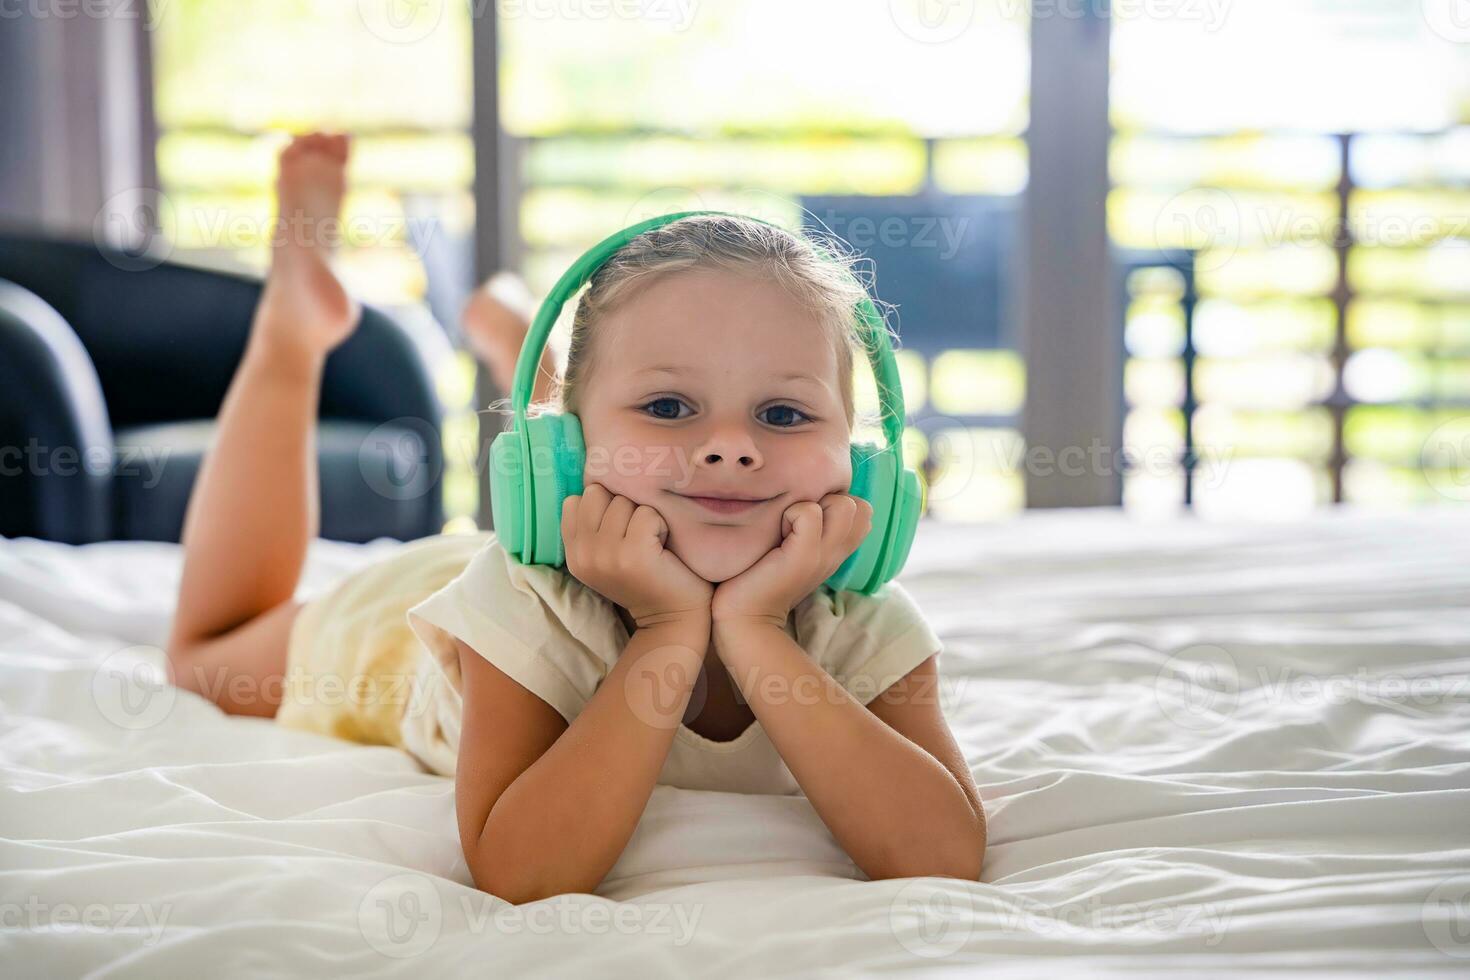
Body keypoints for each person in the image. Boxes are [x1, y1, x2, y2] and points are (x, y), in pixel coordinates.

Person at [165, 132, 986, 903]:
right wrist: (669, 628)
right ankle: (290, 333)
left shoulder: (859, 620)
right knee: (202, 657)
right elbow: (523, 871)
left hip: (612, 514)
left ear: (864, 464)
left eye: (783, 415)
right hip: (407, 627)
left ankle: (538, 351)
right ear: (560, 452)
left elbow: (940, 855)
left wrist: (759, 630)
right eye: (669, 405)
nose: (731, 448)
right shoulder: (521, 606)